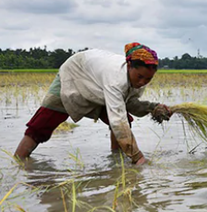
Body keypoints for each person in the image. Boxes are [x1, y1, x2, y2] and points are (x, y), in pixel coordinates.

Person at [14, 43, 172, 165]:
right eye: (140, 77)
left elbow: (130, 103)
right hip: (75, 73)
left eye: (148, 79)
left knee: (124, 121)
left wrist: (153, 108)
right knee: (43, 123)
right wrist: (138, 157)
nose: (142, 82)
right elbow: (119, 121)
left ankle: (116, 161)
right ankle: (17, 163)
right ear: (129, 66)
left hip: (98, 84)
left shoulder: (133, 79)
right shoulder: (115, 79)